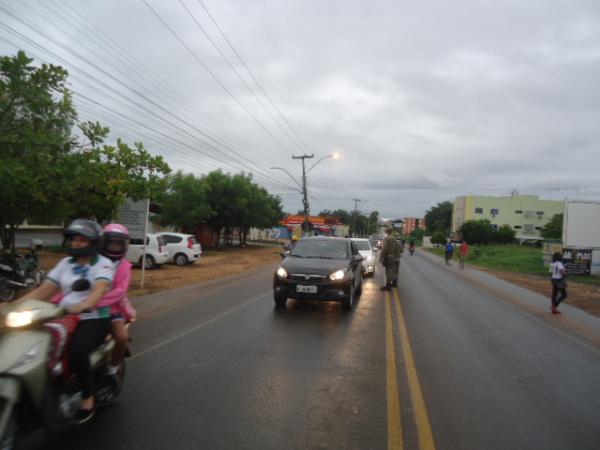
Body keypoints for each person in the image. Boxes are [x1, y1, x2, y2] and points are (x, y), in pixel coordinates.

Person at [19, 219, 115, 424]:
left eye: (82, 240)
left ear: (94, 242)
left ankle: (88, 397)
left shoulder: (103, 264)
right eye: (74, 239)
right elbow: (43, 291)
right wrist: (14, 305)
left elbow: (100, 289)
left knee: (77, 351)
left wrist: (85, 305)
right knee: (33, 344)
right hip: (62, 315)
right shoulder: (64, 264)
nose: (76, 244)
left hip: (94, 317)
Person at [97, 223, 135, 379]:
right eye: (111, 243)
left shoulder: (125, 266)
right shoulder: (93, 261)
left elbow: (120, 292)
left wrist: (96, 301)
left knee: (122, 337)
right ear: (104, 242)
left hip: (112, 310)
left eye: (118, 244)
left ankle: (113, 369)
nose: (114, 247)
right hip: (85, 310)